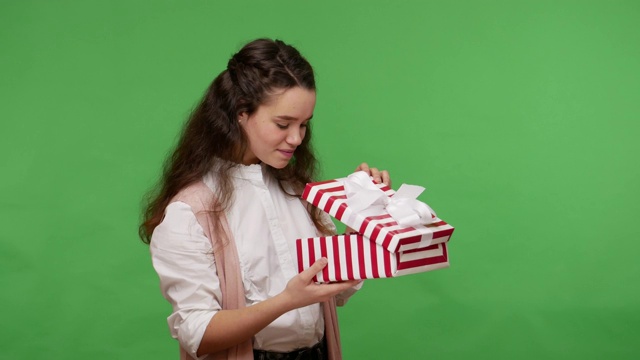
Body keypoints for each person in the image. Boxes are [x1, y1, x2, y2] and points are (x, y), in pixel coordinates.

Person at [139, 38, 390, 360]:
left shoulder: (300, 192)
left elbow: (334, 288)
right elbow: (196, 334)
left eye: (303, 124)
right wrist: (286, 300)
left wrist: (366, 218)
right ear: (240, 113)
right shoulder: (191, 212)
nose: (297, 138)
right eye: (283, 124)